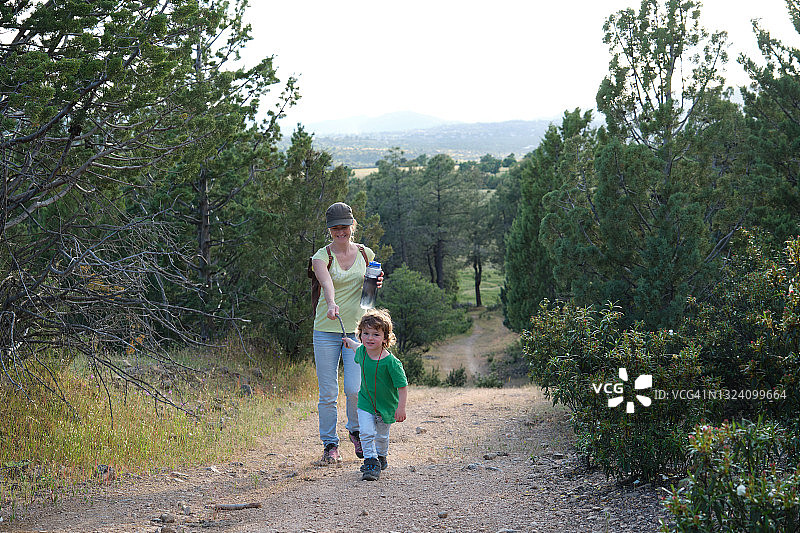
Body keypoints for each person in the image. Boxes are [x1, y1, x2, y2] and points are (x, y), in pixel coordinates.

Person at [311, 202, 382, 464]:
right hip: (326, 328)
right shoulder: (321, 257)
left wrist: (376, 282)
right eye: (335, 228)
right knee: (328, 392)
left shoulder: (366, 254)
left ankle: (355, 431)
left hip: (359, 332)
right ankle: (330, 444)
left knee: (354, 388)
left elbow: (369, 290)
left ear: (352, 226)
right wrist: (331, 303)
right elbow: (326, 282)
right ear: (329, 230)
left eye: (345, 227)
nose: (341, 232)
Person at [342, 308, 408, 481]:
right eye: (366, 333)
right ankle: (370, 461)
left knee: (381, 435)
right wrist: (349, 342)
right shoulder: (362, 352)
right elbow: (356, 347)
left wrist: (401, 408)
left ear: (386, 338)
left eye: (376, 334)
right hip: (365, 403)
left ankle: (381, 456)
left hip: (386, 405)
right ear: (360, 334)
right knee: (365, 431)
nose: (370, 338)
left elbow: (402, 386)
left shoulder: (392, 363)